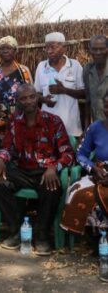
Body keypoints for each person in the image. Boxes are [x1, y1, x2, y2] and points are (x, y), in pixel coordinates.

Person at [0, 83, 75, 256]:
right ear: (18, 101)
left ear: (37, 97)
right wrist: (0, 160)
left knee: (52, 189)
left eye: (31, 97)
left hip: (44, 172)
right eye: (23, 98)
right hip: (21, 170)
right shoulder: (14, 120)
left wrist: (54, 167)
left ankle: (42, 235)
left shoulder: (53, 121)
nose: (28, 101)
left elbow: (68, 154)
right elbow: (7, 147)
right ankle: (16, 230)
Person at [61, 93, 108, 237]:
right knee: (76, 191)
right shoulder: (95, 128)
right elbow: (80, 154)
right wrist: (93, 168)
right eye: (107, 106)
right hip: (99, 174)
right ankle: (96, 238)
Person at [0, 36, 33, 150]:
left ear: (15, 51)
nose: (5, 51)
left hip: (20, 117)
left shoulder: (23, 71)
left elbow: (31, 94)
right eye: (2, 48)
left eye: (9, 48)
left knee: (20, 148)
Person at [34, 32, 85, 139]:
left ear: (64, 47)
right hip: (47, 127)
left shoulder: (74, 65)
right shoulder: (41, 66)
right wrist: (44, 100)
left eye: (53, 47)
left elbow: (84, 93)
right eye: (46, 48)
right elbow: (36, 93)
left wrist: (64, 90)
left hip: (71, 128)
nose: (49, 51)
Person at [83, 35, 108, 126]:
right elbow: (88, 100)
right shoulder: (87, 69)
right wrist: (86, 127)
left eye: (102, 49)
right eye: (94, 49)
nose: (98, 53)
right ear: (90, 50)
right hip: (98, 126)